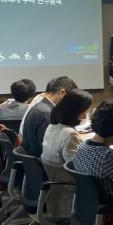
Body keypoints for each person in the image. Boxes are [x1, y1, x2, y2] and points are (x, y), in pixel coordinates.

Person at [41, 89, 93, 217]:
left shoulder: (53, 126)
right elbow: (79, 168)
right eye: (85, 110)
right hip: (67, 187)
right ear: (75, 110)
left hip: (55, 182)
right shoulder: (70, 134)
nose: (86, 115)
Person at [22, 76, 78, 157]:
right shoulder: (47, 113)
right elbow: (49, 147)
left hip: (32, 158)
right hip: (41, 160)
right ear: (62, 93)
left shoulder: (39, 106)